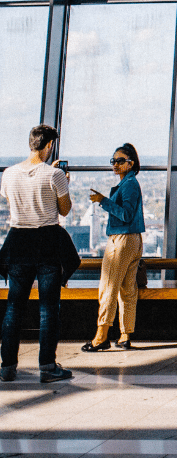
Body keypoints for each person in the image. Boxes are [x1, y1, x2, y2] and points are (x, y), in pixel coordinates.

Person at [0, 125, 77, 383]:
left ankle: (7, 366)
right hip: (46, 242)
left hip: (18, 241)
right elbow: (64, 210)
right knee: (48, 308)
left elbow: (12, 204)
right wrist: (63, 182)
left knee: (14, 307)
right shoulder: (54, 175)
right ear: (49, 146)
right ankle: (47, 367)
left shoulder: (9, 174)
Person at [82, 143, 146, 352]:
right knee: (128, 289)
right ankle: (125, 334)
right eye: (113, 161)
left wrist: (103, 201)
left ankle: (101, 336)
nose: (115, 165)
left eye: (120, 161)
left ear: (131, 163)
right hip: (133, 240)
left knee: (108, 287)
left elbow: (125, 214)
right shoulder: (130, 184)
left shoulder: (128, 185)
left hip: (121, 240)